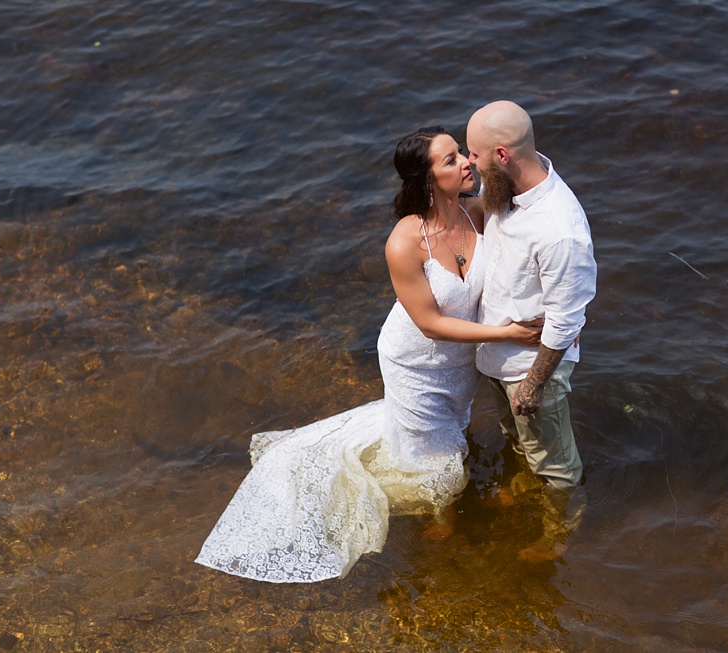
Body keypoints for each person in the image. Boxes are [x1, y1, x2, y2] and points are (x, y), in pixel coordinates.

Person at [194, 126, 541, 583]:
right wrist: (507, 334)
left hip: (460, 358)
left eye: (463, 154)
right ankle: (444, 517)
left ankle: (454, 493)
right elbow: (429, 323)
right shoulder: (404, 243)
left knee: (452, 426)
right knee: (431, 450)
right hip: (413, 359)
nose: (467, 163)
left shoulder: (477, 213)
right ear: (427, 180)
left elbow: (529, 205)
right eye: (452, 159)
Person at [465, 100, 597, 561]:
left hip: (530, 366)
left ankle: (559, 535)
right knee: (521, 439)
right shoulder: (505, 188)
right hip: (499, 354)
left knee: (558, 466)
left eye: (474, 155)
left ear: (501, 155)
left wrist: (534, 385)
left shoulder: (560, 230)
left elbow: (567, 319)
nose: (469, 163)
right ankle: (524, 478)